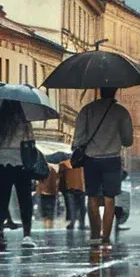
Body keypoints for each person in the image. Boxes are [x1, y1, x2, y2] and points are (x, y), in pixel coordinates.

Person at [73, 87, 134, 244]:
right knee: (109, 198)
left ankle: (94, 235)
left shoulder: (87, 110)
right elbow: (128, 140)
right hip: (112, 159)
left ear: (100, 91)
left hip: (91, 159)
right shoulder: (121, 112)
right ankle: (106, 236)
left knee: (92, 196)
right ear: (115, 91)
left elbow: (79, 137)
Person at [0, 101, 40, 247]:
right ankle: (27, 235)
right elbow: (31, 142)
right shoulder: (24, 122)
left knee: (2, 198)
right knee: (25, 200)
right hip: (21, 163)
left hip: (0, 163)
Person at [59, 158, 85, 230]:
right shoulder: (83, 163)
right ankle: (82, 223)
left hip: (69, 187)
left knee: (71, 206)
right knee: (82, 206)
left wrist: (61, 188)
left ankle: (72, 222)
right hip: (81, 187)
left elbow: (61, 177)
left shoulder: (64, 164)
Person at [35, 161, 60, 229]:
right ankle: (50, 226)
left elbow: (38, 180)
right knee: (50, 211)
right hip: (52, 192)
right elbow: (57, 181)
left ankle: (47, 227)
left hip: (43, 192)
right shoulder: (54, 169)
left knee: (45, 211)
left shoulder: (41, 169)